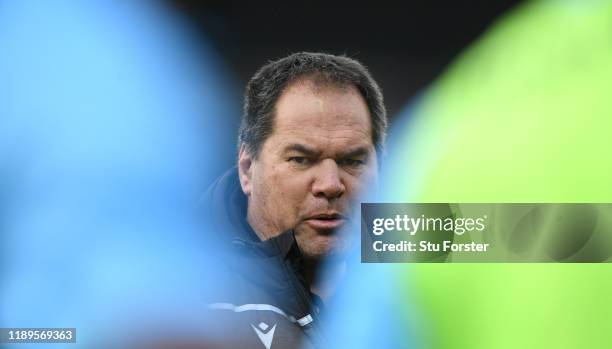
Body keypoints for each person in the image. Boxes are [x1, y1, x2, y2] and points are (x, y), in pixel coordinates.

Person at [201, 52, 387, 349]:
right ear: (248, 169)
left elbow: (485, 233)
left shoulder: (431, 239)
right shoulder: (179, 274)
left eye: (353, 161)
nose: (330, 185)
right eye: (301, 159)